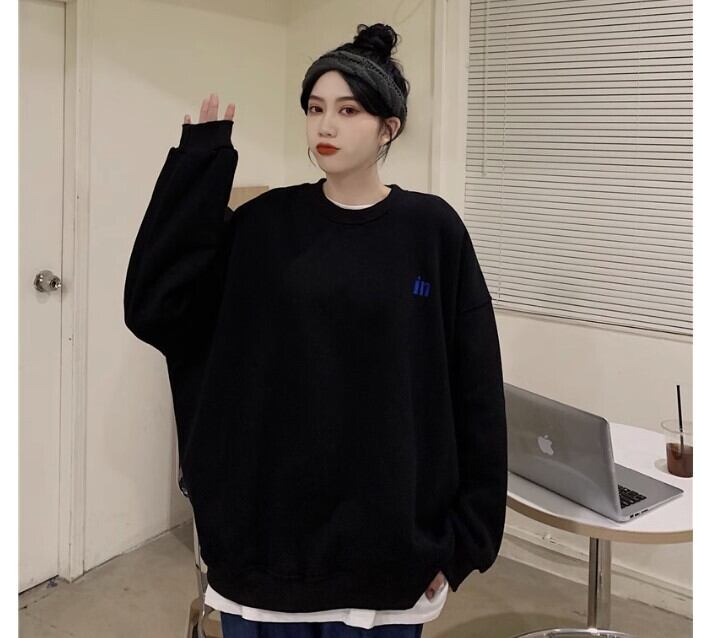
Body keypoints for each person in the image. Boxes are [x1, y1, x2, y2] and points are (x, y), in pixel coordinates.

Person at [123, 22, 507, 638]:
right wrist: (198, 170)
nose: (326, 126)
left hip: (388, 558)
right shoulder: (265, 226)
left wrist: (468, 537)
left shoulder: (431, 231)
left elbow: (477, 388)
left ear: (389, 128)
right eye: (315, 108)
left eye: (349, 111)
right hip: (264, 551)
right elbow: (157, 306)